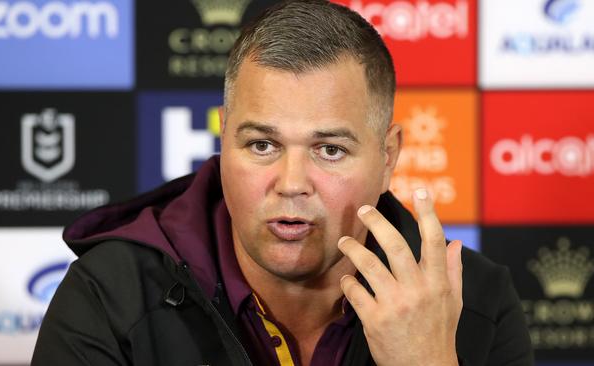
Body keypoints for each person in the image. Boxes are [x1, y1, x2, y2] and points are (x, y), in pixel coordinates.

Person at [32, 1, 533, 365]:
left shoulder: (476, 300)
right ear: (223, 137)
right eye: (262, 146)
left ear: (387, 157)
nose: (292, 184)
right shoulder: (110, 294)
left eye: (330, 150)